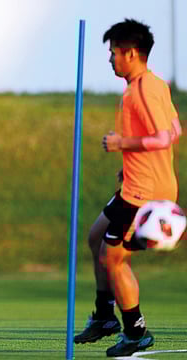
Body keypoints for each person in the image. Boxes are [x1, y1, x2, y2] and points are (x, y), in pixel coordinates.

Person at [74, 19, 182, 357]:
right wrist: (131, 162)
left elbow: (163, 136)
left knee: (114, 258)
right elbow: (175, 129)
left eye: (113, 53)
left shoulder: (143, 89)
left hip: (144, 192)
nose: (110, 59)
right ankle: (105, 316)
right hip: (136, 182)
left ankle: (135, 331)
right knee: (96, 237)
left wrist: (123, 142)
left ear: (130, 53)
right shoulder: (154, 84)